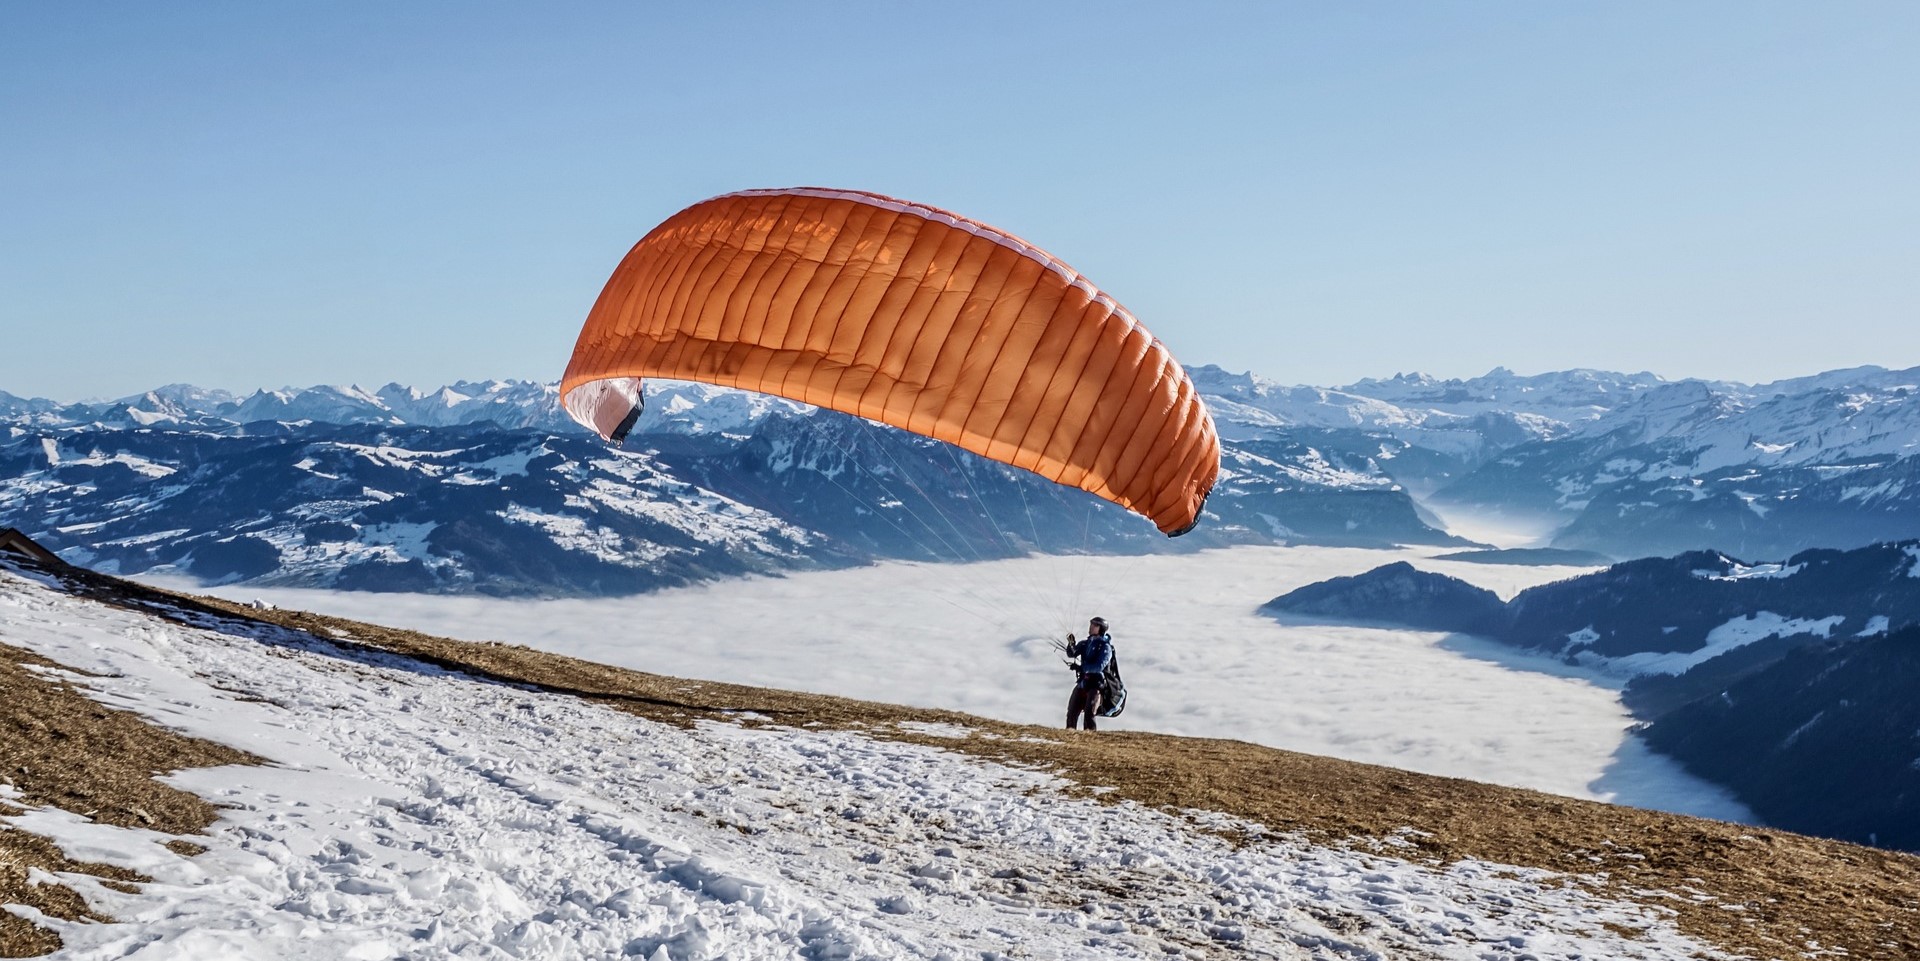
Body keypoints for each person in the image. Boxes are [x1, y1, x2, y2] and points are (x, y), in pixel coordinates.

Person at [1065, 616, 1114, 730]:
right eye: (1091, 624)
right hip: (1083, 682)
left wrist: (1082, 667)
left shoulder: (1105, 647)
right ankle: (1069, 738)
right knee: (1072, 712)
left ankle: (1090, 740)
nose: (1091, 627)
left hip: (1096, 685)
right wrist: (1071, 644)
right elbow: (1072, 654)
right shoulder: (1085, 644)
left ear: (1101, 629)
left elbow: (1099, 666)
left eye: (1095, 625)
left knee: (1089, 713)